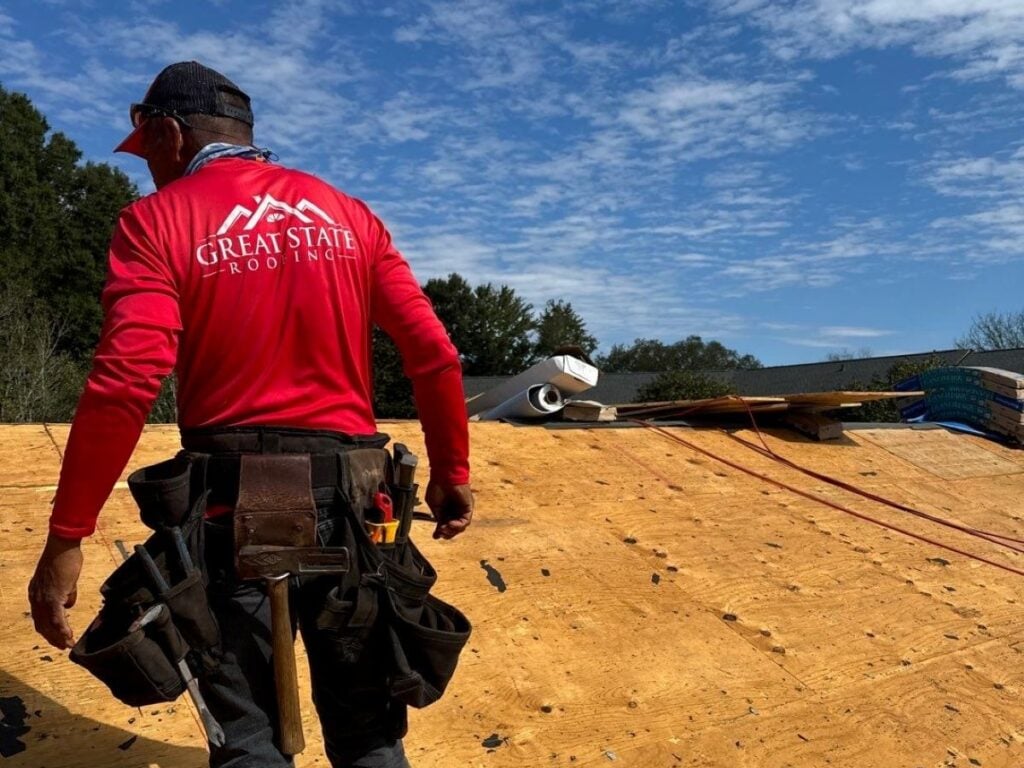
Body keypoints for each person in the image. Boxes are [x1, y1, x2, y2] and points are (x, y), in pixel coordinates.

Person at [27, 61, 473, 768]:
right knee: (369, 735)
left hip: (228, 506)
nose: (150, 173)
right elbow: (434, 356)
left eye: (148, 154)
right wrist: (452, 471)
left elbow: (126, 381)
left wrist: (67, 535)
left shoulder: (157, 222)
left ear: (169, 132)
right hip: (358, 500)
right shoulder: (349, 215)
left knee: (250, 743)